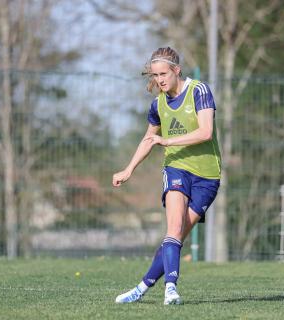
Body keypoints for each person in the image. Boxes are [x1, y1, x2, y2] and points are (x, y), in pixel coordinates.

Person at [112, 47, 221, 305]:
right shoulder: (157, 104)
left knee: (177, 236)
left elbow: (206, 132)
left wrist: (167, 140)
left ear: (176, 70)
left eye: (163, 74)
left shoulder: (199, 91)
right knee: (172, 230)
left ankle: (140, 288)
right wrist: (128, 169)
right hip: (176, 169)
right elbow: (149, 140)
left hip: (207, 176)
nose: (159, 79)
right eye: (155, 75)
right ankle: (171, 289)